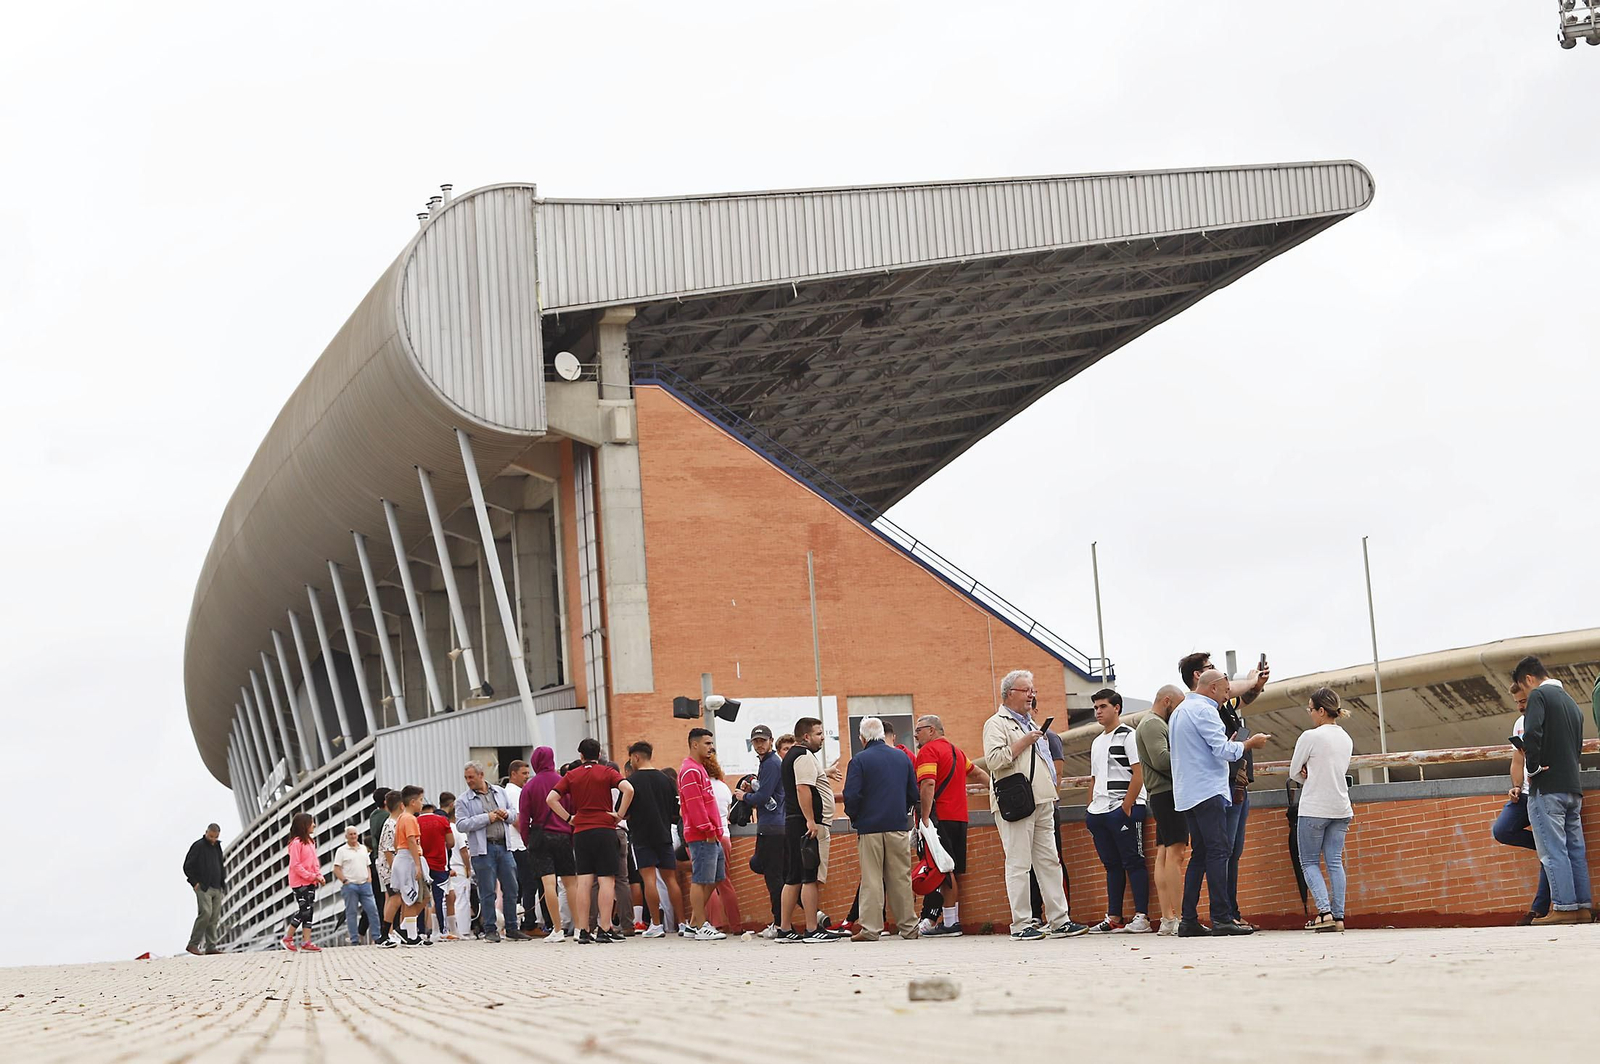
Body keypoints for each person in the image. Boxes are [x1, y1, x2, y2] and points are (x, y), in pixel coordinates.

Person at [983, 669, 1088, 940]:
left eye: (1033, 690)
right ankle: (1021, 924)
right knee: (1018, 863)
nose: (1032, 694)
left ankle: (1059, 920)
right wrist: (1023, 742)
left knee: (1050, 861)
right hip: (1016, 800)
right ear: (1009, 694)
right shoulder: (996, 723)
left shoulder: (1031, 723)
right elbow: (995, 761)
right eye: (1026, 690)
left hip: (1042, 799)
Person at [1170, 668, 1271, 937]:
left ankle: (1188, 919)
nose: (1227, 697)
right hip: (1208, 790)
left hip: (1188, 792)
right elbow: (1222, 750)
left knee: (1200, 855)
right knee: (1219, 852)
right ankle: (1222, 917)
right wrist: (1250, 744)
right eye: (1226, 691)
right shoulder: (1205, 711)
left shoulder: (1180, 710)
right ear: (1213, 688)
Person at [1514, 655, 1592, 925]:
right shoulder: (1572, 703)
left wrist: (1532, 769)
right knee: (1575, 850)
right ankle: (1582, 908)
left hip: (1547, 788)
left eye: (1522, 690)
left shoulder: (1539, 696)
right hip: (1573, 786)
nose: (1525, 697)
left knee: (1552, 850)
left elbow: (1532, 734)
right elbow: (1577, 747)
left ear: (1528, 679)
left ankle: (1563, 908)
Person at [547, 738, 635, 943]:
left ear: (581, 755)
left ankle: (583, 929)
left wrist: (569, 818)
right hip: (604, 829)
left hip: (581, 831)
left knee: (584, 881)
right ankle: (605, 927)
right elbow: (628, 789)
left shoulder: (572, 774)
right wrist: (619, 814)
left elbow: (551, 799)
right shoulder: (607, 772)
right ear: (600, 754)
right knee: (606, 880)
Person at [843, 717, 920, 941]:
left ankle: (871, 929)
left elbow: (851, 795)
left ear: (863, 738)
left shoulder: (859, 760)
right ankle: (909, 927)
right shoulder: (901, 758)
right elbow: (912, 793)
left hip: (869, 828)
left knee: (872, 879)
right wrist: (901, 812)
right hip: (897, 826)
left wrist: (856, 817)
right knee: (901, 878)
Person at [912, 713, 989, 936]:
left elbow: (928, 783)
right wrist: (996, 788)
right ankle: (950, 920)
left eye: (919, 729)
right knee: (952, 869)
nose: (916, 734)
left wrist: (924, 817)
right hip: (959, 817)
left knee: (943, 870)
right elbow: (978, 773)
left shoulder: (928, 751)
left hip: (940, 817)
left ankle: (950, 922)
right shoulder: (956, 751)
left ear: (932, 730)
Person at [1083, 688, 1151, 934]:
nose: (1098, 711)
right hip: (1099, 812)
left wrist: (1127, 806)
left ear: (1117, 708)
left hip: (1124, 809)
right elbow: (1094, 777)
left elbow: (1139, 773)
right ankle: (1114, 917)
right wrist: (1090, 809)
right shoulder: (1097, 741)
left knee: (1134, 861)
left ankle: (1141, 916)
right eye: (1096, 707)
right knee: (1111, 865)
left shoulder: (1129, 736)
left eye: (1102, 706)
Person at [1288, 687, 1354, 932]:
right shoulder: (1346, 738)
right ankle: (1338, 917)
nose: (1310, 714)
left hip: (1315, 806)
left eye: (1310, 709)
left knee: (1308, 861)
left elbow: (1294, 771)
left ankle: (1324, 912)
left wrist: (1308, 774)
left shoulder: (1310, 737)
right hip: (1341, 807)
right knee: (1335, 861)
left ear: (1321, 711)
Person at [776, 718, 846, 942]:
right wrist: (810, 821)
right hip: (807, 825)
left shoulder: (793, 757)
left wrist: (824, 772)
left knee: (793, 877)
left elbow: (806, 780)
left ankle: (784, 929)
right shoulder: (804, 756)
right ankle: (812, 929)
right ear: (806, 737)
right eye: (818, 734)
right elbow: (803, 788)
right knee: (809, 876)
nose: (823, 737)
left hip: (795, 822)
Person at [1492, 681, 1552, 924]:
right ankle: (1545, 846)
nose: (1520, 707)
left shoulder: (1549, 717)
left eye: (1523, 701)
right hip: (1525, 794)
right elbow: (1517, 762)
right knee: (1502, 830)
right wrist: (1516, 787)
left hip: (1547, 791)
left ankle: (1538, 909)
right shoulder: (1519, 724)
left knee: (1549, 852)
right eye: (1516, 702)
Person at [1136, 684, 1190, 935]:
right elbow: (1161, 759)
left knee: (1165, 853)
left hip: (1160, 794)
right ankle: (1178, 917)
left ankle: (1168, 918)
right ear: (1167, 701)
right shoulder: (1154, 724)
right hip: (1167, 793)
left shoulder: (1149, 723)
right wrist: (1190, 758)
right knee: (1175, 853)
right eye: (1177, 706)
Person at [457, 761, 524, 942]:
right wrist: (487, 818)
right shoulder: (463, 800)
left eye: (471, 777)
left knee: (511, 888)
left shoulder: (500, 792)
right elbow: (462, 824)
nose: (468, 781)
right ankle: (490, 929)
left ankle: (511, 927)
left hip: (504, 846)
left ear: (481, 775)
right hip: (483, 849)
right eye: (466, 778)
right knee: (487, 891)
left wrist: (505, 815)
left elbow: (514, 814)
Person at [625, 741, 686, 937]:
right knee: (671, 880)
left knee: (649, 880)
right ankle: (683, 923)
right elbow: (675, 809)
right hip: (664, 834)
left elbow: (624, 812)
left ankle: (656, 925)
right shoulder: (665, 779)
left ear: (636, 757)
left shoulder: (632, 781)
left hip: (642, 836)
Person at [676, 728, 729, 941]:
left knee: (716, 878)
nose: (711, 747)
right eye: (707, 743)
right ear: (695, 744)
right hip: (701, 835)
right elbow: (694, 805)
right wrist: (707, 830)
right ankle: (700, 926)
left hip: (712, 834)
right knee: (700, 879)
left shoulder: (699, 769)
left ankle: (693, 924)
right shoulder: (690, 770)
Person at [520, 746, 578, 942]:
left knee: (548, 884)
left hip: (540, 836)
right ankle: (579, 928)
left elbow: (524, 818)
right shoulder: (563, 782)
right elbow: (571, 808)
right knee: (571, 884)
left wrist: (527, 840)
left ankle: (557, 929)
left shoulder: (530, 786)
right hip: (562, 836)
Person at [738, 724, 787, 936]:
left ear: (770, 741)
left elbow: (763, 797)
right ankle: (789, 919)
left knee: (773, 877)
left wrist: (744, 797)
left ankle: (779, 924)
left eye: (763, 741)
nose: (759, 745)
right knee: (770, 871)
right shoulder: (767, 763)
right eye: (756, 741)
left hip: (772, 828)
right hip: (772, 826)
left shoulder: (771, 763)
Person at [388, 786, 431, 946]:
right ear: (412, 802)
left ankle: (405, 928)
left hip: (403, 857)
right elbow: (412, 840)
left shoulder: (401, 818)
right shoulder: (410, 819)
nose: (421, 803)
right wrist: (418, 865)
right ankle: (412, 936)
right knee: (413, 897)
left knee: (423, 895)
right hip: (409, 859)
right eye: (420, 800)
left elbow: (395, 842)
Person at [503, 759, 537, 933]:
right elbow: (518, 819)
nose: (527, 777)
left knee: (518, 886)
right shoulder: (515, 793)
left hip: (513, 844)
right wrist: (529, 836)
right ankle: (529, 922)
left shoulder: (506, 792)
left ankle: (519, 920)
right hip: (520, 844)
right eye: (524, 773)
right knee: (529, 884)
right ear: (513, 774)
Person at [332, 825, 381, 946]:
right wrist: (344, 881)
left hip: (365, 884)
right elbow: (336, 868)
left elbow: (367, 865)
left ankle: (377, 936)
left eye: (355, 834)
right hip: (350, 886)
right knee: (351, 912)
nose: (353, 836)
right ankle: (354, 939)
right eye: (351, 834)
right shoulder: (341, 851)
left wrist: (369, 878)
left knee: (372, 910)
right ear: (346, 836)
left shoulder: (363, 849)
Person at [282, 812, 325, 952]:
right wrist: (312, 876)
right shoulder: (296, 843)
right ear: (304, 825)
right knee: (304, 910)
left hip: (311, 881)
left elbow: (314, 862)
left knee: (309, 911)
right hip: (300, 883)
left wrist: (318, 875)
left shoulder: (311, 841)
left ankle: (307, 942)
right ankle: (288, 938)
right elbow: (296, 865)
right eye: (311, 822)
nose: (314, 825)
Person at [183, 823, 225, 955]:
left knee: (214, 917)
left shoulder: (217, 847)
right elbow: (187, 866)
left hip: (217, 886)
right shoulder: (198, 846)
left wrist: (222, 882)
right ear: (206, 832)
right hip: (203, 887)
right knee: (205, 913)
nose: (213, 839)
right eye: (211, 836)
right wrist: (194, 883)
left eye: (215, 837)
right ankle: (193, 944)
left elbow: (220, 864)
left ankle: (211, 947)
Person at [417, 800, 454, 944]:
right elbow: (451, 842)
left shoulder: (415, 821)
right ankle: (442, 931)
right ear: (432, 809)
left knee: (421, 898)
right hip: (439, 864)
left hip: (422, 864)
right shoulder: (442, 821)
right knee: (440, 899)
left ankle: (420, 932)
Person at [441, 791, 472, 940]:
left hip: (446, 867)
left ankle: (447, 929)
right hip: (459, 867)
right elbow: (464, 851)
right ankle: (463, 930)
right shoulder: (459, 830)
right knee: (462, 900)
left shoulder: (444, 827)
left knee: (447, 901)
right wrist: (468, 868)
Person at [375, 789, 403, 947]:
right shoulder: (391, 825)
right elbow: (388, 850)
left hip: (391, 868)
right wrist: (395, 871)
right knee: (395, 898)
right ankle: (384, 934)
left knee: (396, 899)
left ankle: (393, 932)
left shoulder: (393, 823)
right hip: (389, 869)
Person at [365, 787, 391, 941]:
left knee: (382, 897)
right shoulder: (386, 816)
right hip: (386, 858)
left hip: (377, 859)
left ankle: (386, 931)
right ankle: (390, 930)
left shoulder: (374, 815)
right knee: (391, 896)